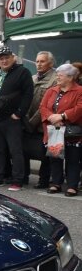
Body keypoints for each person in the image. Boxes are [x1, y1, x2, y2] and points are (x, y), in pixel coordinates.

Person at [0, 47, 34, 191]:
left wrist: (19, 113)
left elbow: (28, 94)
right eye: (1, 58)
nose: (4, 60)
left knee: (15, 150)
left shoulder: (23, 72)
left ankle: (18, 179)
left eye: (7, 57)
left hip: (12, 118)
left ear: (13, 58)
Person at [40, 63, 82, 196]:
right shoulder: (51, 90)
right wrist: (52, 117)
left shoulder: (80, 91)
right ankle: (56, 183)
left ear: (70, 77)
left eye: (60, 75)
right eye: (57, 75)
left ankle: (72, 185)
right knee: (55, 157)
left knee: (73, 158)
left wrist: (63, 116)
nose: (57, 77)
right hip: (54, 129)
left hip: (72, 131)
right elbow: (43, 107)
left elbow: (80, 108)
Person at [23, 51, 57, 189]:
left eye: (42, 61)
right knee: (24, 149)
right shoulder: (32, 78)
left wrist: (32, 122)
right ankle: (23, 176)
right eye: (37, 61)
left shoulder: (54, 79)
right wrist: (25, 119)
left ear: (51, 63)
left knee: (45, 154)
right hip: (27, 120)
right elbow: (25, 99)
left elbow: (47, 104)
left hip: (43, 123)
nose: (38, 64)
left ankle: (43, 180)